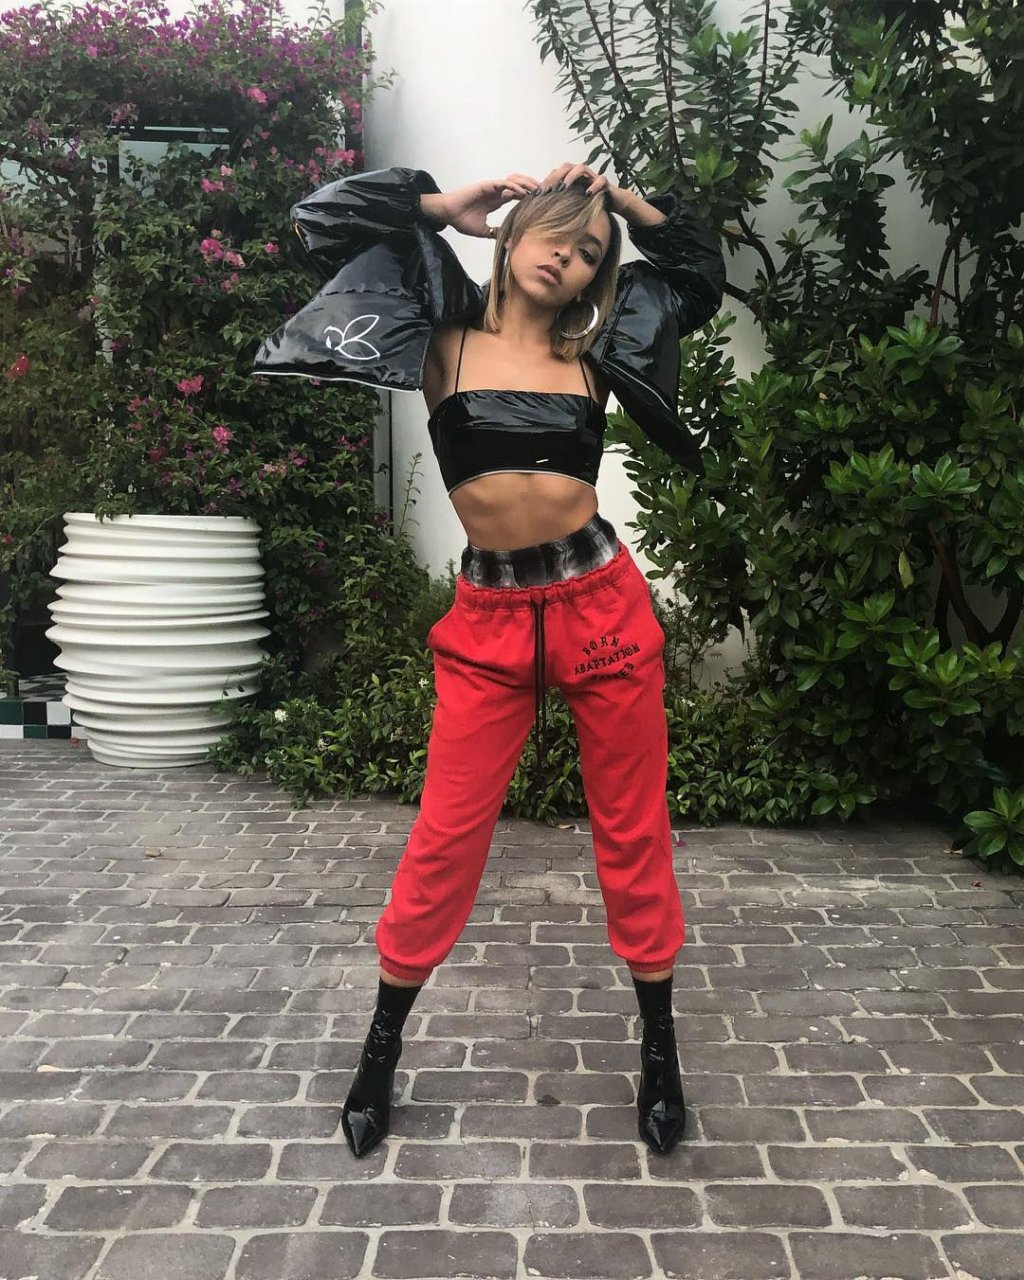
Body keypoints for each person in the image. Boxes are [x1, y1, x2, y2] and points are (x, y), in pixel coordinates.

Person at [254, 159, 726, 1159]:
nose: (570, 257)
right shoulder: (440, 338)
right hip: (489, 621)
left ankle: (660, 1053)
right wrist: (440, 206)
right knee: (444, 836)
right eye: (557, 233)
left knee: (633, 833)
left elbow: (694, 274)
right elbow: (319, 223)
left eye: (590, 252)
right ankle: (380, 1049)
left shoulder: (598, 349)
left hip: (600, 608)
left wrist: (630, 206)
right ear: (513, 234)